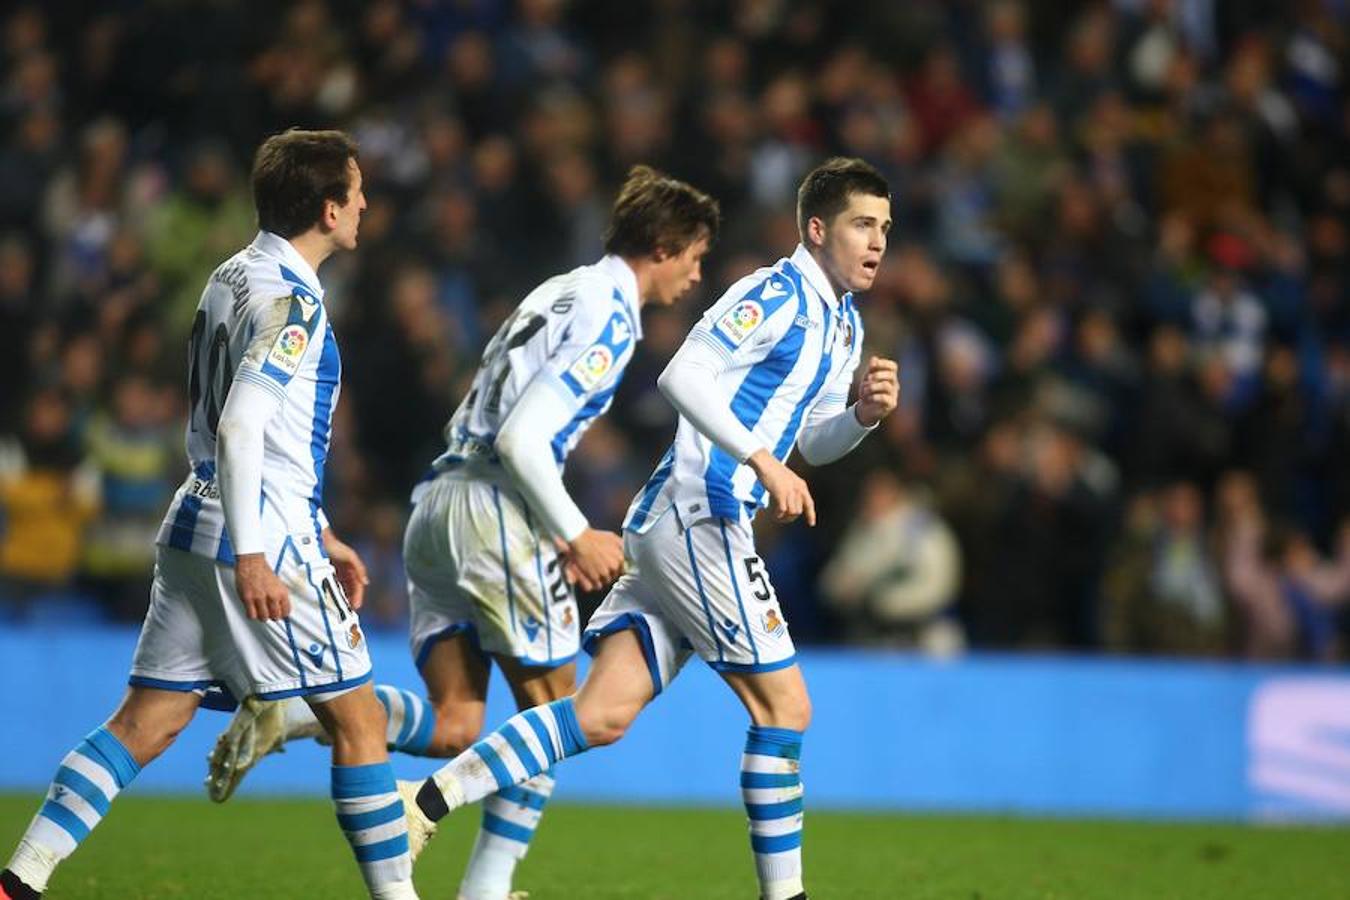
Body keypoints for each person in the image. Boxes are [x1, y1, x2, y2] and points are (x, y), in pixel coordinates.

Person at [206, 165, 720, 900]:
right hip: (494, 509)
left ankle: (292, 713)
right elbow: (523, 439)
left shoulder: (562, 286)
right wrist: (574, 531)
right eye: (695, 256)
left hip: (438, 504)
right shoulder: (612, 316)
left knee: (456, 725)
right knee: (554, 716)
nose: (697, 275)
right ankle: (486, 888)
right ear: (664, 247)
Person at [403, 157, 900, 900]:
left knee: (598, 717)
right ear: (818, 228)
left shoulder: (842, 325)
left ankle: (424, 801)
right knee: (787, 707)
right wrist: (761, 460)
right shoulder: (773, 293)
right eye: (864, 224)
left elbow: (816, 442)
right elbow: (683, 375)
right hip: (704, 514)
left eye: (886, 229)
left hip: (682, 522)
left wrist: (860, 417)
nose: (878, 242)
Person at [0, 129, 422, 900]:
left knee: (147, 723)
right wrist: (263, 552)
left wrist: (321, 525)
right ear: (329, 211)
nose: (366, 203)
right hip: (256, 533)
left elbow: (247, 427)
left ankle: (18, 880)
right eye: (356, 191)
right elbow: (241, 423)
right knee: (360, 724)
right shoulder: (296, 305)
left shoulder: (227, 274)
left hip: (195, 521)